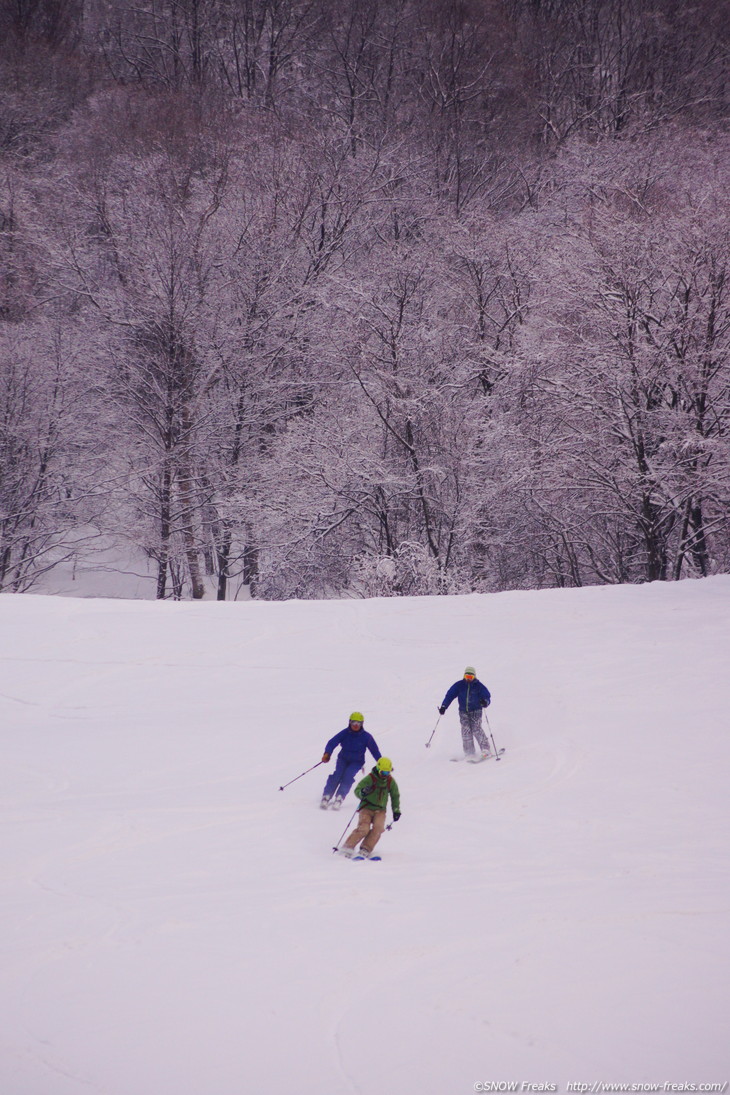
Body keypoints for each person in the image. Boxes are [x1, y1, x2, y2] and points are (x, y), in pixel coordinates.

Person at [340, 757, 400, 858]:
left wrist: (396, 810)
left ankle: (366, 848)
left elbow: (395, 795)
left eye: (387, 772)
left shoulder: (390, 781)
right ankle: (348, 847)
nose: (385, 775)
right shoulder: (370, 778)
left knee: (379, 828)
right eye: (383, 772)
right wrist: (362, 792)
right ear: (378, 769)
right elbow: (357, 790)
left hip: (380, 810)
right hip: (366, 808)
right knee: (364, 828)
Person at [320, 712, 381, 809]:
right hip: (343, 759)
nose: (356, 725)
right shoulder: (345, 733)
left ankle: (340, 797)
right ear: (349, 722)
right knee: (337, 775)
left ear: (362, 724)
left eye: (358, 723)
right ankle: (326, 795)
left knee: (348, 777)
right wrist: (327, 753)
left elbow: (374, 750)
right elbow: (332, 742)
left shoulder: (366, 737)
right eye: (353, 723)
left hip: (356, 762)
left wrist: (380, 763)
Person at [439, 665, 492, 759]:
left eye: (470, 677)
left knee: (476, 728)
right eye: (466, 677)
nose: (468, 679)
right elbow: (450, 695)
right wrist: (444, 706)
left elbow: (487, 696)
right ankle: (469, 752)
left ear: (474, 677)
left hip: (476, 710)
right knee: (465, 730)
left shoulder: (478, 686)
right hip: (463, 712)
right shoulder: (459, 685)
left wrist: (485, 702)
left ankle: (486, 749)